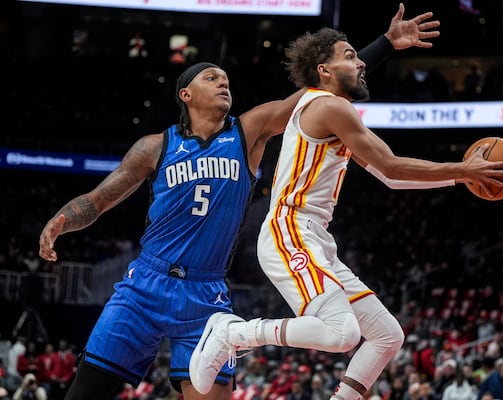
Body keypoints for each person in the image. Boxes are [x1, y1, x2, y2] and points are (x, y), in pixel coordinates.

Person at [38, 4, 442, 400]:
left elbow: (320, 91)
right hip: (145, 283)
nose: (223, 83)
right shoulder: (155, 146)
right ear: (186, 93)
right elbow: (101, 197)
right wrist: (62, 220)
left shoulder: (247, 132)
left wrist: (385, 44)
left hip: (205, 293)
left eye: (227, 79)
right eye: (212, 78)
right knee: (87, 391)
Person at [189, 26, 503, 399]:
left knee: (387, 335)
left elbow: (389, 177)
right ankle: (233, 333)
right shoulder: (328, 105)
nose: (360, 61)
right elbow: (392, 166)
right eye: (348, 56)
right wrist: (461, 169)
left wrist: (459, 179)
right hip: (289, 230)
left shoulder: (332, 111)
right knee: (341, 333)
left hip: (315, 237)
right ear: (323, 71)